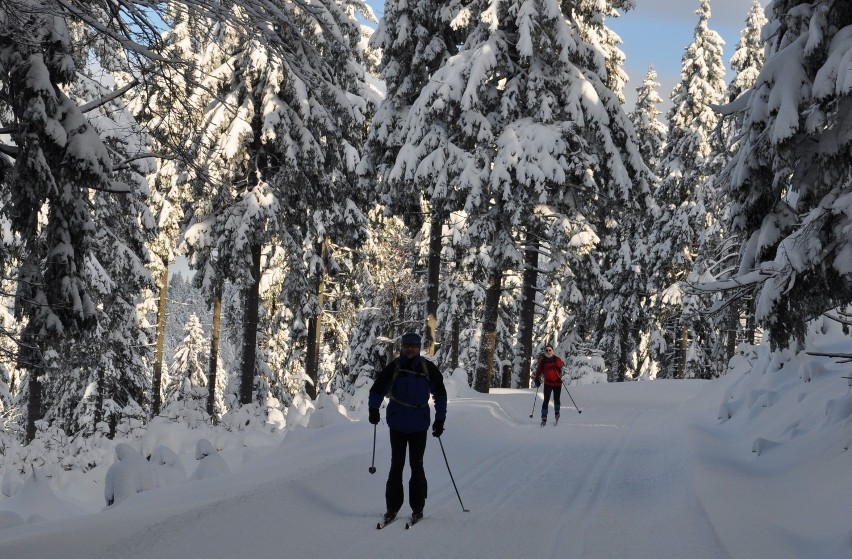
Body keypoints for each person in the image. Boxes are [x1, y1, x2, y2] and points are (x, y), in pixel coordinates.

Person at [369, 332, 447, 524]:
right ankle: (392, 508)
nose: (410, 349)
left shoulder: (428, 368)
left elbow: (441, 395)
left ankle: (417, 507)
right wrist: (373, 410)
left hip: (419, 425)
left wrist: (440, 420)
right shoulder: (394, 367)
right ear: (402, 347)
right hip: (397, 424)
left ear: (418, 348)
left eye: (413, 346)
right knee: (397, 465)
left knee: (416, 465)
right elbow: (377, 389)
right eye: (406, 346)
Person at [534, 344, 564, 426]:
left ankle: (557, 413)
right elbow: (538, 371)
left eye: (550, 350)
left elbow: (560, 365)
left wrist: (553, 362)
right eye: (546, 350)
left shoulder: (557, 359)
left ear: (552, 351)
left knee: (556, 400)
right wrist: (537, 379)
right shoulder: (543, 361)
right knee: (546, 400)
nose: (548, 352)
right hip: (548, 383)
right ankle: (544, 417)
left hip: (557, 383)